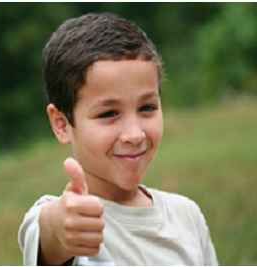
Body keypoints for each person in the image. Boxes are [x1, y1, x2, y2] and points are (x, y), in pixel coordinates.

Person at [18, 12, 218, 266]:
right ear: (62, 123)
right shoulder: (72, 220)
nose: (134, 134)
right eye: (109, 113)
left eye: (147, 107)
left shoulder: (187, 216)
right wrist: (57, 232)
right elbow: (49, 235)